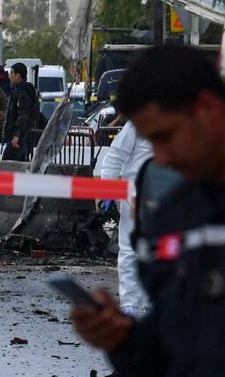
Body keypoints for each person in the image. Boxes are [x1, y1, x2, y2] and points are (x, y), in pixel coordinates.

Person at [70, 44, 225, 375]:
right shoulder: (173, 217)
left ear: (208, 108)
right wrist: (121, 340)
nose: (160, 159)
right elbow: (169, 349)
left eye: (165, 137)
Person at [98, 120, 153, 318]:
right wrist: (108, 189)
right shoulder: (137, 123)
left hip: (167, 195)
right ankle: (130, 304)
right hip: (135, 195)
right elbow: (115, 155)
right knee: (131, 250)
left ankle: (149, 303)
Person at [2, 62, 38, 161]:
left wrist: (17, 135)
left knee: (8, 163)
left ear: (18, 76)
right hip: (21, 135)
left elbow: (24, 114)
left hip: (22, 136)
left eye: (11, 74)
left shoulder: (22, 91)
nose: (9, 77)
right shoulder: (18, 90)